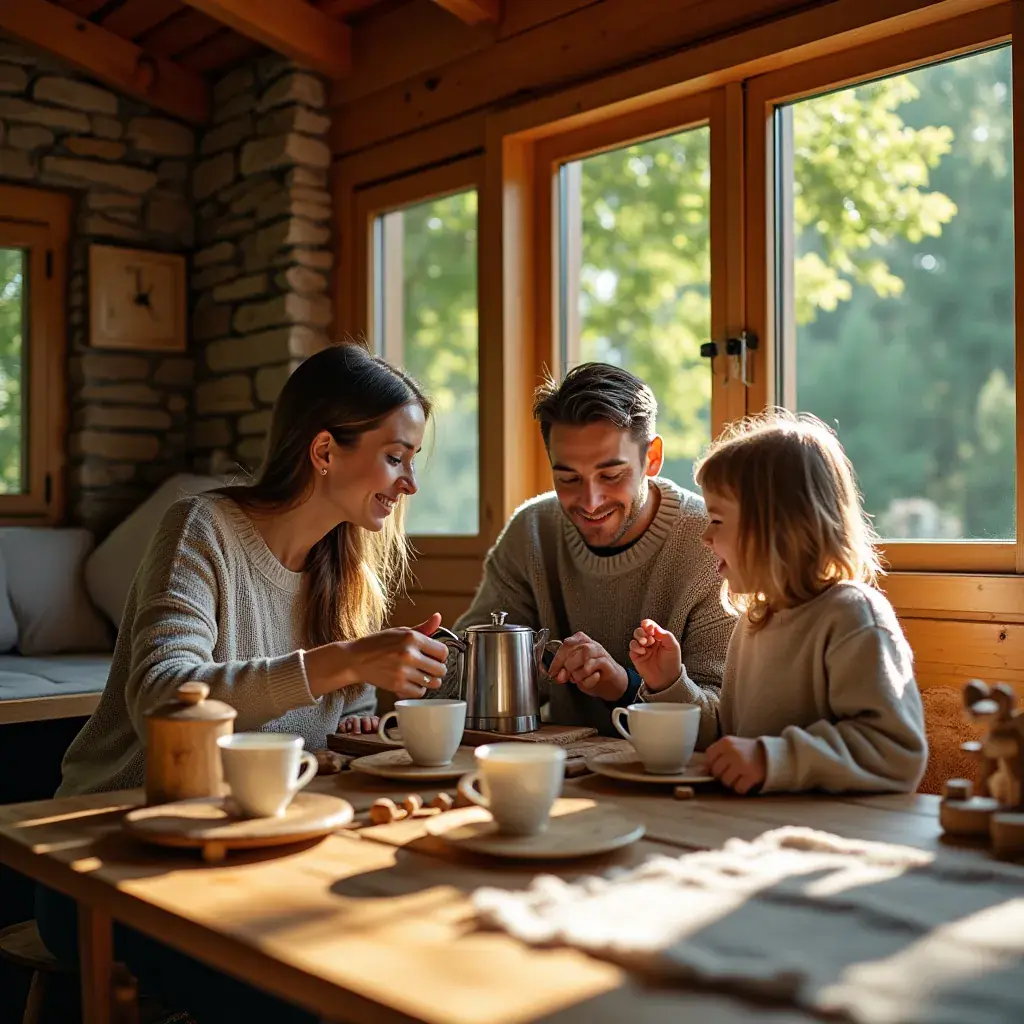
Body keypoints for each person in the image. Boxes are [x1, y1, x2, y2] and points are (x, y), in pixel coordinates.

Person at [37, 342, 451, 1023]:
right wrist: (346, 661)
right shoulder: (201, 529)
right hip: (110, 859)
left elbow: (307, 738)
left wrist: (372, 713)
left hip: (250, 856)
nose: (409, 483)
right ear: (324, 451)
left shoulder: (345, 576)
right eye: (396, 455)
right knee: (310, 996)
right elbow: (165, 698)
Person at [629, 410, 927, 794]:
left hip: (841, 837)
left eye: (717, 520)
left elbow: (896, 752)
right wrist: (670, 682)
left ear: (774, 528)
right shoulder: (755, 622)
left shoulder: (853, 617)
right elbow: (729, 737)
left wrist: (774, 759)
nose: (705, 537)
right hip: (762, 833)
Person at [450, 363, 734, 737]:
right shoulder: (531, 531)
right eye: (568, 478)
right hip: (558, 770)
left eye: (611, 475)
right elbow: (455, 683)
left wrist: (625, 685)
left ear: (651, 458)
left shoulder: (710, 542)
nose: (590, 501)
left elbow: (722, 720)